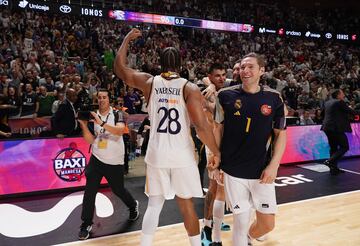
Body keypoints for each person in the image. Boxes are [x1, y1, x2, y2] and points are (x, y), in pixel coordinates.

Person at [114, 28, 220, 246]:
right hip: (181, 156)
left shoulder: (149, 82)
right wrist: (216, 152)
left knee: (154, 204)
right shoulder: (189, 88)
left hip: (157, 154)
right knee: (186, 205)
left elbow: (120, 69)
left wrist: (126, 40)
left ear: (159, 64)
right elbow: (201, 126)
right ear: (181, 65)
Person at [214, 53, 286, 246]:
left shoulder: (274, 98)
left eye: (250, 67)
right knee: (240, 220)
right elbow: (217, 128)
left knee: (267, 225)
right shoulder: (225, 96)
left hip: (261, 171)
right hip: (233, 170)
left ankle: (247, 237)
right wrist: (217, 158)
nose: (245, 71)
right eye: (242, 67)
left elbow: (281, 134)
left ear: (262, 71)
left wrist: (274, 166)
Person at [77, 88, 139, 240]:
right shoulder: (94, 115)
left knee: (118, 190)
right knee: (90, 191)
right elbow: (92, 140)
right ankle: (86, 223)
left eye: (104, 97)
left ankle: (132, 206)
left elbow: (118, 131)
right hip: (97, 158)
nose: (101, 100)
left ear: (109, 99)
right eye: (99, 98)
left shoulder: (118, 113)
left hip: (114, 161)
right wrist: (83, 125)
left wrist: (102, 123)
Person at [198, 63, 230, 246]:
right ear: (210, 76)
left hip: (225, 144)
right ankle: (207, 227)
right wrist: (208, 85)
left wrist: (211, 84)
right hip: (212, 145)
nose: (222, 78)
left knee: (222, 189)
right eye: (217, 76)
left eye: (224, 75)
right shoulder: (205, 92)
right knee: (213, 188)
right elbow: (215, 113)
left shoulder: (224, 90)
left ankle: (217, 220)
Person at [321, 89, 360, 175]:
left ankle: (333, 169)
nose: (344, 95)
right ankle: (329, 161)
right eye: (342, 93)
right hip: (336, 128)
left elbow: (322, 114)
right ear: (338, 95)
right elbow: (352, 112)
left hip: (326, 127)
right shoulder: (339, 102)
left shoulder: (327, 103)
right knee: (344, 147)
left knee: (333, 148)